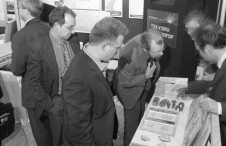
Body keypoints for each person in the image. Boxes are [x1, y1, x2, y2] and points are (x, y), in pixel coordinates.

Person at [62, 17, 129, 146]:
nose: (119, 51)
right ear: (105, 46)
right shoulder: (78, 78)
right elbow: (78, 132)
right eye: (118, 47)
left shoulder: (91, 61)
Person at [24, 6, 80, 146]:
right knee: (57, 140)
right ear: (56, 25)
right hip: (56, 101)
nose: (73, 31)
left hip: (74, 99)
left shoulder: (73, 40)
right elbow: (34, 82)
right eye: (69, 27)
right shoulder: (38, 46)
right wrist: (50, 105)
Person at [10, 0, 52, 145]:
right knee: (56, 129)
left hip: (34, 93)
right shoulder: (52, 29)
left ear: (26, 11)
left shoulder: (20, 36)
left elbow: (16, 69)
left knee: (41, 134)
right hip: (54, 88)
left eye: (19, 8)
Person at [114, 29, 164, 146]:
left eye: (162, 49)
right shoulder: (128, 56)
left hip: (143, 85)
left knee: (141, 116)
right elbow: (124, 82)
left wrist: (147, 78)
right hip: (129, 92)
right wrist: (146, 76)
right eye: (157, 52)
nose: (161, 54)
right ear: (145, 49)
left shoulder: (149, 38)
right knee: (131, 125)